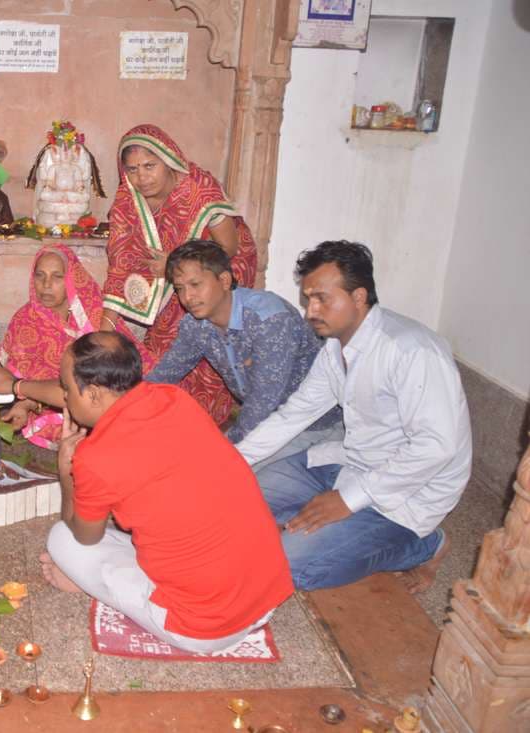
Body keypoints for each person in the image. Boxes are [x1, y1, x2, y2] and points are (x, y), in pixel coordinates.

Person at [236, 241, 470, 593]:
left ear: (359, 297)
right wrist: (232, 463)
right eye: (308, 299)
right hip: (349, 464)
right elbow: (293, 415)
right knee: (236, 498)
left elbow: (437, 447)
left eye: (322, 299)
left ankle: (424, 545)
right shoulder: (336, 349)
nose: (311, 311)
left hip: (408, 496)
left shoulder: (411, 349)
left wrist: (348, 500)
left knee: (285, 564)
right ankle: (317, 522)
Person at [43, 332, 293, 652]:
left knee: (61, 540)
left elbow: (83, 536)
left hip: (205, 626)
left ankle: (87, 582)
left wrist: (67, 476)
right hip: (265, 594)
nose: (64, 398)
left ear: (92, 395)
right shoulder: (175, 400)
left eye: (66, 389)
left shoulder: (96, 457)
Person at [99, 124, 258, 426]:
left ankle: (204, 420)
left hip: (217, 271)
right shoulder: (127, 201)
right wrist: (103, 329)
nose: (141, 177)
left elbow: (229, 248)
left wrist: (174, 264)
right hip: (173, 279)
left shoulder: (200, 189)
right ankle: (166, 416)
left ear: (168, 159)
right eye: (132, 169)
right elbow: (121, 261)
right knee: (165, 344)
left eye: (149, 166)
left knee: (204, 344)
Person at [145, 240, 341, 455]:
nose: (187, 297)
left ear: (224, 280)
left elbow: (262, 404)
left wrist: (224, 448)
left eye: (196, 284)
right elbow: (164, 375)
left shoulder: (269, 320)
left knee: (214, 474)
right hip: (267, 425)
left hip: (313, 427)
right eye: (180, 289)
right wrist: (120, 407)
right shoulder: (196, 325)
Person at [0, 244, 150, 449]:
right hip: (50, 408)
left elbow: (122, 375)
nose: (46, 284)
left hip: (108, 400)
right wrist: (26, 404)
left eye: (57, 277)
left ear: (72, 278)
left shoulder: (95, 313)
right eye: (40, 275)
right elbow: (31, 381)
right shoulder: (25, 320)